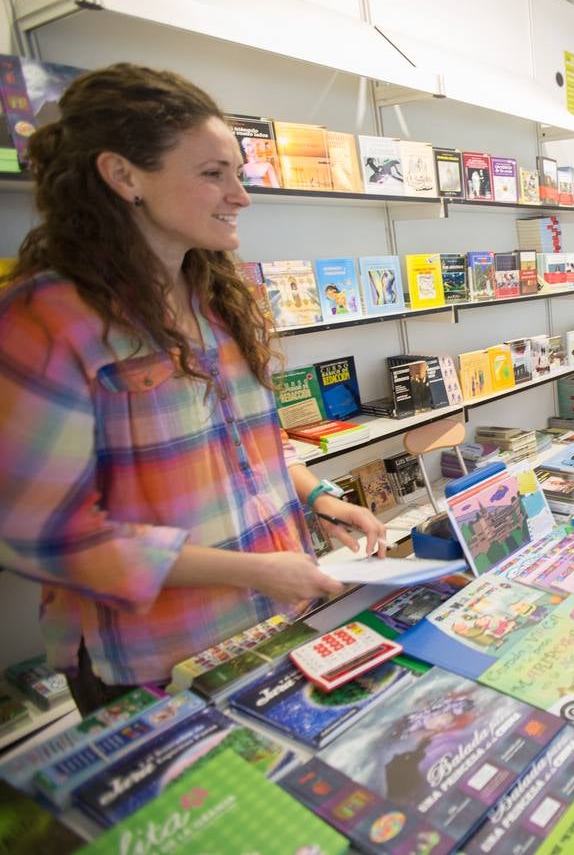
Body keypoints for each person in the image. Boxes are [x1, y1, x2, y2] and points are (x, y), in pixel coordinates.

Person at [0, 64, 387, 714]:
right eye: (213, 173)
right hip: (154, 654)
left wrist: (317, 496)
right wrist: (251, 570)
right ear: (125, 176)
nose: (240, 195)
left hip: (269, 618)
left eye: (237, 172)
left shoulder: (218, 294)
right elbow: (43, 535)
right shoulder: (46, 320)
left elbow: (243, 447)